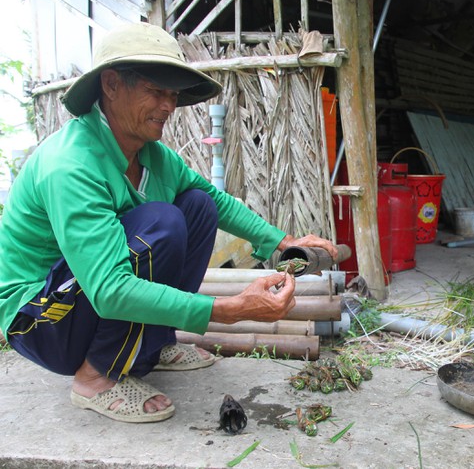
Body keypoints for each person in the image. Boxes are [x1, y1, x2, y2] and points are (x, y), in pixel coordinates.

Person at [0, 22, 337, 423]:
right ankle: (94, 377)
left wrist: (283, 243)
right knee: (160, 222)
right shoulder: (70, 165)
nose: (168, 107)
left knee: (195, 205)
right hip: (41, 322)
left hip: (81, 303)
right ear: (110, 84)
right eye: (155, 91)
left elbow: (214, 200)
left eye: (173, 95)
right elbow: (108, 290)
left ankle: (153, 344)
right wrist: (228, 309)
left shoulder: (154, 157)